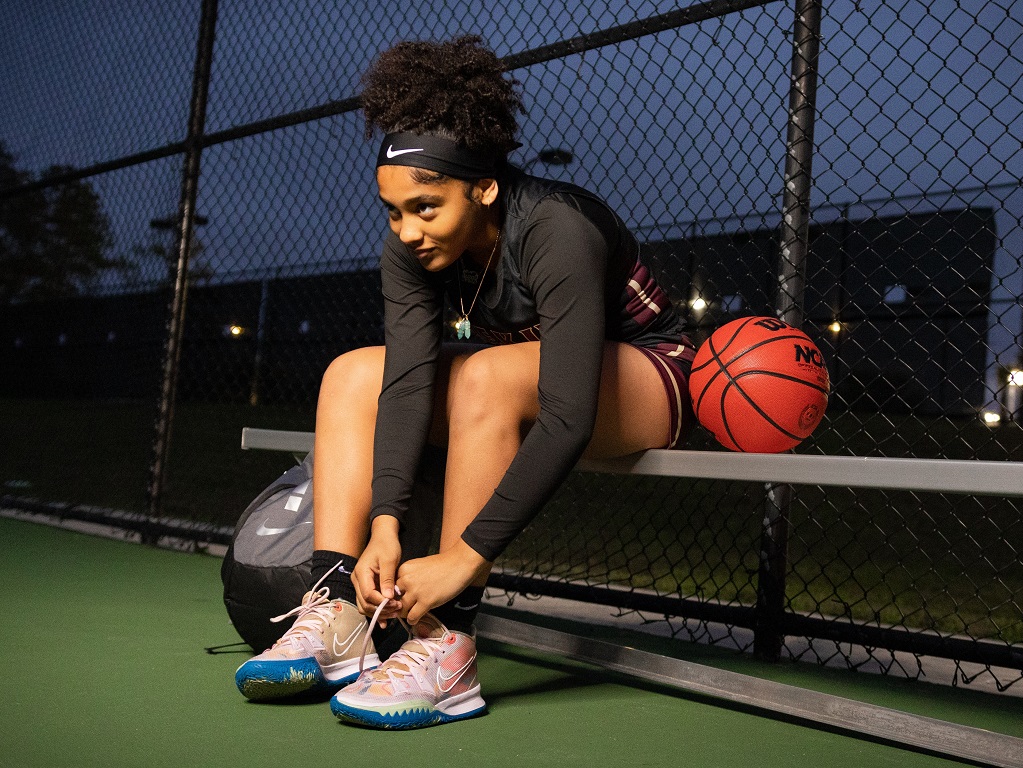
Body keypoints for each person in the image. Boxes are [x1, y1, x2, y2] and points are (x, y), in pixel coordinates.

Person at [233, 35, 695, 730]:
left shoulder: (557, 228)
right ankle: (334, 609)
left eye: (426, 207)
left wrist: (462, 560)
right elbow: (408, 379)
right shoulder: (410, 249)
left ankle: (445, 643)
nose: (407, 230)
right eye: (392, 210)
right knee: (353, 374)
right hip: (522, 374)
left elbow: (567, 412)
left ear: (484, 187)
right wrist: (384, 525)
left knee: (484, 376)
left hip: (647, 374)